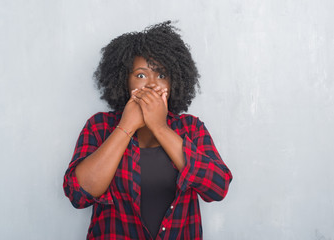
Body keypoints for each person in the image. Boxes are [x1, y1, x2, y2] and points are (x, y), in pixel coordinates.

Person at [63, 21, 232, 240]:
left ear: (174, 82)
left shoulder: (191, 128)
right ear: (124, 80)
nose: (152, 84)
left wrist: (160, 128)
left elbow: (217, 188)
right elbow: (79, 195)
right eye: (141, 75)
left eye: (161, 75)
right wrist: (126, 126)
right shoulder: (99, 126)